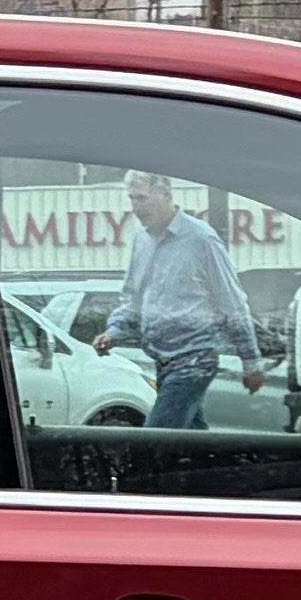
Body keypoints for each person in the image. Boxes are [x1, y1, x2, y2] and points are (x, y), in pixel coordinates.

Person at [108, 168, 259, 426]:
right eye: (132, 198)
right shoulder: (142, 241)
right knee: (189, 439)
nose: (135, 207)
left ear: (166, 195)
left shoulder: (201, 239)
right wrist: (115, 331)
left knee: (156, 438)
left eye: (142, 198)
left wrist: (251, 362)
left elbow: (232, 303)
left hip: (195, 359)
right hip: (162, 359)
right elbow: (134, 299)